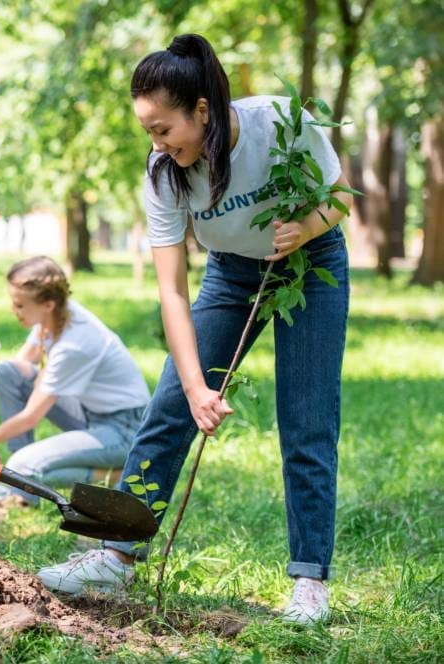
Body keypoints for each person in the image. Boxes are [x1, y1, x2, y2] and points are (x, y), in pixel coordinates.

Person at [36, 34, 352, 626]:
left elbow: (341, 198)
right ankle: (114, 554)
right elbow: (172, 292)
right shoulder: (164, 173)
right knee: (166, 409)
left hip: (309, 267)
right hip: (231, 275)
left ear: (201, 110)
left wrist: (306, 229)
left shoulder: (280, 125)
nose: (156, 144)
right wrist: (195, 387)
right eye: (148, 132)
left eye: (162, 129)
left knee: (307, 419)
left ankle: (310, 582)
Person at [0, 256, 150, 498]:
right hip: (89, 414)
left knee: (26, 466)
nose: (14, 310)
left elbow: (29, 418)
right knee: (8, 372)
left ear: (48, 304)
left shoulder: (74, 344)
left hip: (125, 430)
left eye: (20, 305)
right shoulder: (52, 319)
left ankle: (115, 474)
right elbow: (11, 371)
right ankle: (17, 480)